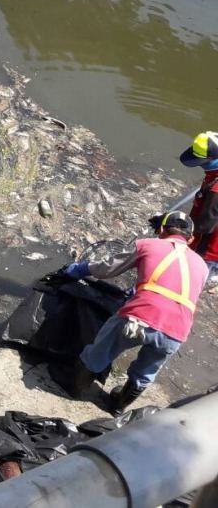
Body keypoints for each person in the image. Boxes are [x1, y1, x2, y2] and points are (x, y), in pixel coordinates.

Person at [62, 209, 207, 412]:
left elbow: (107, 269)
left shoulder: (147, 244)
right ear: (190, 239)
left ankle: (74, 387)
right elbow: (180, 292)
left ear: (162, 230)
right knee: (146, 371)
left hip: (139, 318)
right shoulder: (202, 265)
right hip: (177, 331)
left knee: (100, 351)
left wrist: (81, 269)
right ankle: (119, 405)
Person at [180, 131, 218, 286]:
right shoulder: (214, 176)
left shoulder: (216, 190)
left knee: (187, 281)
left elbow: (206, 225)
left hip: (208, 248)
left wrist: (178, 224)